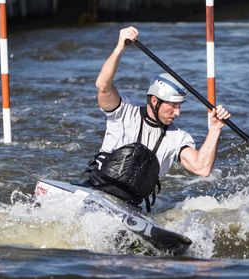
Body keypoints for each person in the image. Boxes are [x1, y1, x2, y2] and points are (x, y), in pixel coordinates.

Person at [83, 26, 231, 211]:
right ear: (154, 101)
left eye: (179, 106)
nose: (178, 113)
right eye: (173, 106)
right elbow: (103, 85)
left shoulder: (177, 138)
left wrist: (215, 129)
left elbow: (202, 168)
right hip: (96, 189)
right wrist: (120, 47)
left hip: (131, 206)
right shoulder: (123, 112)